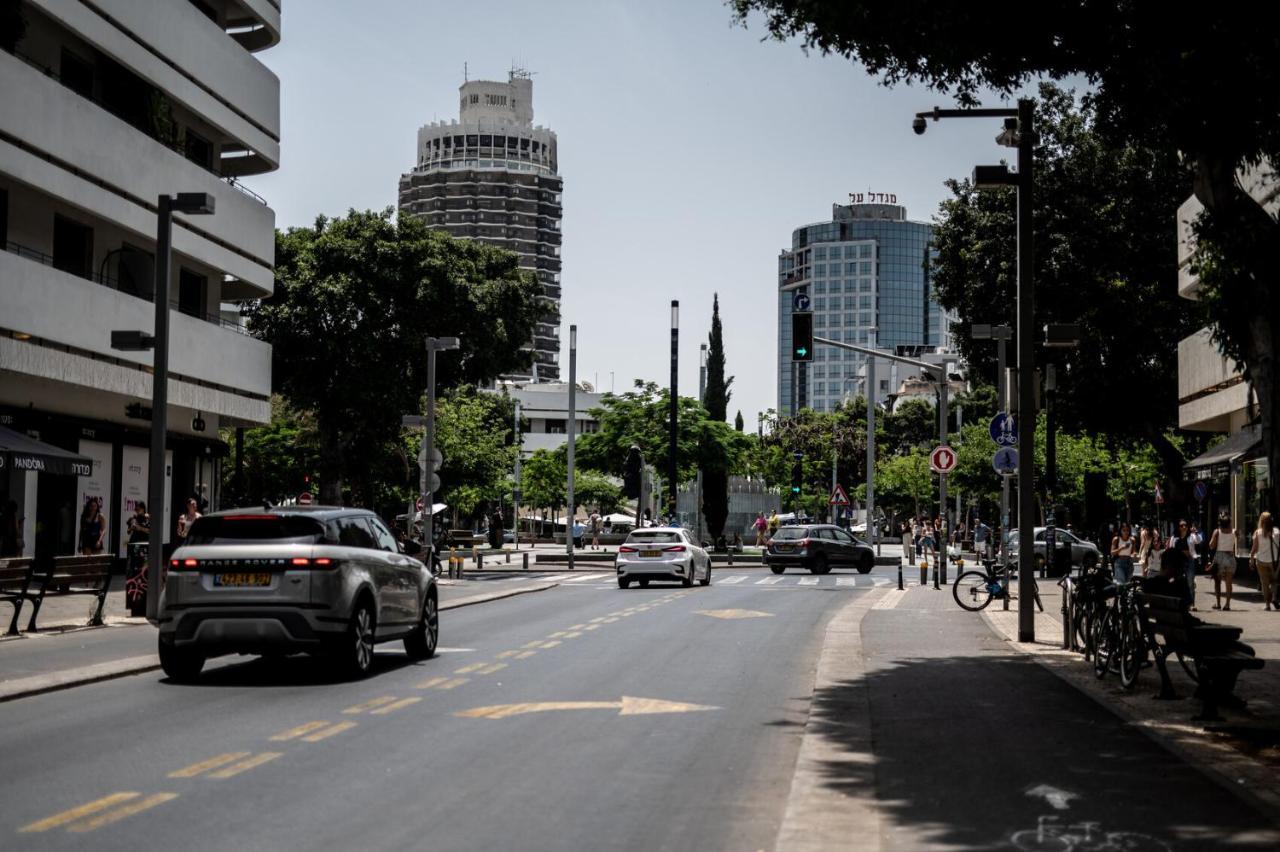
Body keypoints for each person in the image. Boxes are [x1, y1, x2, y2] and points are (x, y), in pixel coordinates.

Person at [1249, 511, 1279, 611]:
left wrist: (1251, 559)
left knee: (1264, 583)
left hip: (1261, 561)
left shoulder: (1258, 532)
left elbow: (1254, 548)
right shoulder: (1277, 531)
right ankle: (1274, 597)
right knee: (1275, 581)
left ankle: (1267, 604)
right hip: (1274, 561)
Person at [1207, 514, 1238, 610]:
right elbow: (1239, 539)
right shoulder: (1234, 531)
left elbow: (1211, 545)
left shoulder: (1217, 531)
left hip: (1220, 557)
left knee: (1217, 582)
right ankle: (1227, 604)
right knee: (1229, 583)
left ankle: (1218, 603)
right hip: (1230, 558)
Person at [1166, 520, 1195, 610]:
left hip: (1189, 560)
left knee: (1190, 582)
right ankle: (1179, 603)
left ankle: (1191, 604)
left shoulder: (1191, 536)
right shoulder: (1174, 538)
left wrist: (1195, 533)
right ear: (1178, 527)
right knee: (1178, 581)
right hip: (1178, 561)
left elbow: (1199, 540)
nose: (1184, 527)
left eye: (1185, 525)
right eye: (1182, 525)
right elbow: (1171, 549)